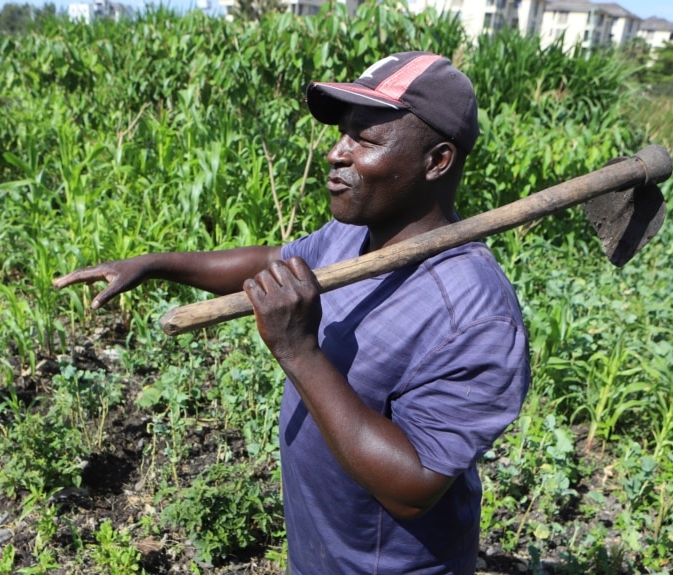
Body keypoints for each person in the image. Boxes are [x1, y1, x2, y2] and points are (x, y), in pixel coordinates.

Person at [53, 51, 530, 575]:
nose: (335, 153)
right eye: (343, 133)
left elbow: (413, 489)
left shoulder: (473, 312)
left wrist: (298, 351)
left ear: (436, 160)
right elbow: (273, 262)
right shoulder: (356, 233)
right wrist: (154, 263)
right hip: (319, 548)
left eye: (365, 140)